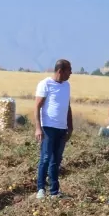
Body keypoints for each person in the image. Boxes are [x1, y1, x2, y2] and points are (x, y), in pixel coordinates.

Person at [34, 59, 73, 200]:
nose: (71, 73)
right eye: (69, 70)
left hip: (62, 128)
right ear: (60, 71)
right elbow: (37, 106)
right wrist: (38, 128)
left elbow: (68, 107)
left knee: (56, 160)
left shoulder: (67, 85)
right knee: (45, 158)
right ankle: (40, 189)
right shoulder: (45, 84)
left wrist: (70, 126)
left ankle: (54, 192)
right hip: (48, 128)